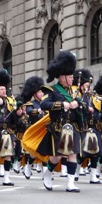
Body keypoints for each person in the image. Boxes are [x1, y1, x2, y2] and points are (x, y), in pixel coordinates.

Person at [38, 50, 81, 192]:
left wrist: (79, 104)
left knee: (72, 154)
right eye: (70, 77)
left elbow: (84, 105)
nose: (72, 79)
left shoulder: (74, 92)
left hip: (72, 126)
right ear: (62, 78)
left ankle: (70, 183)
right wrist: (62, 105)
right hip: (58, 127)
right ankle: (48, 173)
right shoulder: (52, 90)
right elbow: (44, 105)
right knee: (57, 156)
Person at [21, 76, 46, 179]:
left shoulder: (45, 102)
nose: (42, 94)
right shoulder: (31, 104)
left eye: (42, 92)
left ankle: (46, 174)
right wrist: (38, 111)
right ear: (35, 93)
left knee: (45, 151)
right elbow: (29, 111)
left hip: (45, 129)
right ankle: (28, 166)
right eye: (40, 92)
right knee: (34, 153)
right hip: (35, 129)